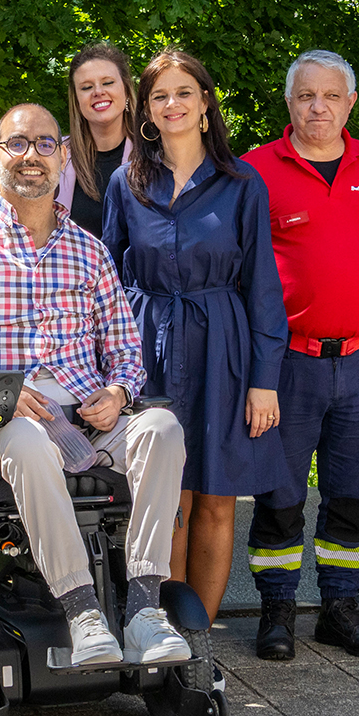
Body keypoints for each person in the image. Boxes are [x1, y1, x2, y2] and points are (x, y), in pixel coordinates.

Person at [0, 103, 192, 666]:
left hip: (89, 419)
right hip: (3, 423)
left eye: (45, 144)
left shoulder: (89, 251)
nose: (32, 156)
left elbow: (127, 356)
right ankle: (82, 609)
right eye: (17, 144)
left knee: (161, 426)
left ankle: (141, 607)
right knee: (25, 437)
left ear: (63, 156)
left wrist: (117, 393)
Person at [104, 49, 288, 622]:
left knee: (215, 500)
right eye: (160, 96)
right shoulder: (126, 182)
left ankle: (198, 642)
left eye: (184, 92)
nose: (173, 104)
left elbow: (263, 288)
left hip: (222, 351)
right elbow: (104, 287)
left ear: (205, 103)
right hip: (149, 349)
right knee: (165, 504)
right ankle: (162, 630)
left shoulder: (241, 183)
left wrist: (265, 382)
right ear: (146, 113)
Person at [242, 51, 359, 661]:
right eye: (306, 96)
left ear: (350, 104)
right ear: (290, 102)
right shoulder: (255, 171)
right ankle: (276, 610)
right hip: (286, 365)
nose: (318, 108)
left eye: (331, 97)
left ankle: (341, 606)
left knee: (355, 494)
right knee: (279, 495)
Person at [61, 42, 135, 239]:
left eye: (108, 83)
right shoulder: (56, 156)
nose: (98, 92)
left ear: (126, 90)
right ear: (76, 100)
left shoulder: (155, 154)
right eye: (86, 87)